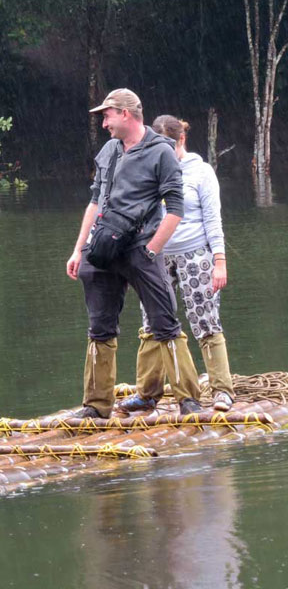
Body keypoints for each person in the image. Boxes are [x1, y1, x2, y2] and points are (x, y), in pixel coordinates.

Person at [65, 88, 203, 418]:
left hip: (141, 248)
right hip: (102, 250)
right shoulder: (109, 151)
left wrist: (153, 250)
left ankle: (189, 400)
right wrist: (78, 250)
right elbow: (95, 203)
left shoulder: (161, 152)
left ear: (125, 113)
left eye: (107, 116)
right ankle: (97, 406)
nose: (103, 123)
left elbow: (176, 209)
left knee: (165, 322)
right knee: (99, 327)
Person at [119, 115, 234, 413]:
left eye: (168, 146)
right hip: (156, 256)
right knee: (152, 321)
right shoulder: (151, 169)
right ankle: (148, 392)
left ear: (180, 140)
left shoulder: (201, 172)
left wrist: (219, 261)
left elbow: (212, 219)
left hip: (195, 253)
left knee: (205, 320)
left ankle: (222, 390)